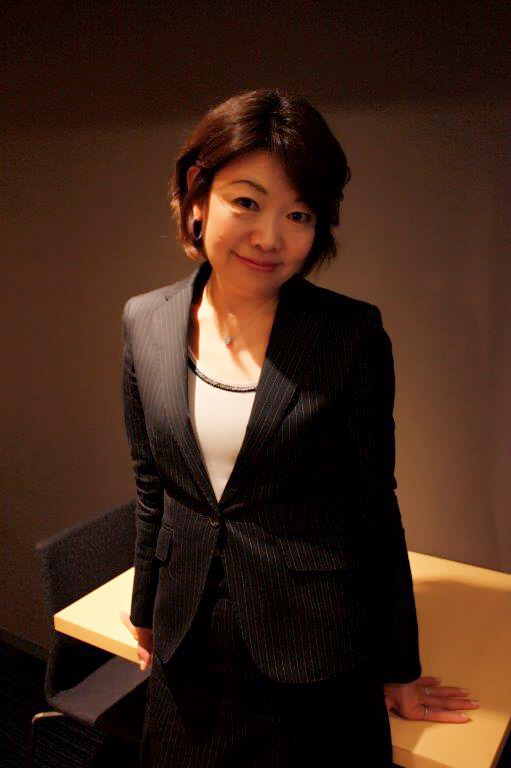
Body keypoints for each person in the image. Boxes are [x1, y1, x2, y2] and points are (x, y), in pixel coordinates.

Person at [120, 88, 479, 767]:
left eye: (298, 214)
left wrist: (399, 667)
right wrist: (145, 610)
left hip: (313, 656)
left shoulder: (348, 335)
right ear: (196, 198)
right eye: (246, 202)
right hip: (185, 644)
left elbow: (374, 507)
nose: (270, 238)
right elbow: (151, 488)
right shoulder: (146, 321)